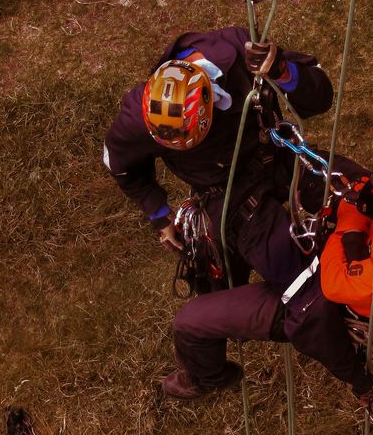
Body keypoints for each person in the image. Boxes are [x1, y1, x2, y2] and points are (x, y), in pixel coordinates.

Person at [164, 139, 373, 435]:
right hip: (360, 270)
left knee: (194, 322)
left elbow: (332, 284)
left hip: (330, 298)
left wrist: (350, 221)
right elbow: (367, 187)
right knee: (303, 168)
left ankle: (369, 391)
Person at [103, 26, 334, 289]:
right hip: (227, 193)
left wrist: (282, 71)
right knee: (297, 276)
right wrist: (159, 213)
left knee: (362, 196)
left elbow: (322, 96)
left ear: (210, 99)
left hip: (275, 151)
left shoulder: (240, 53)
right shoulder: (137, 119)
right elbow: (121, 165)